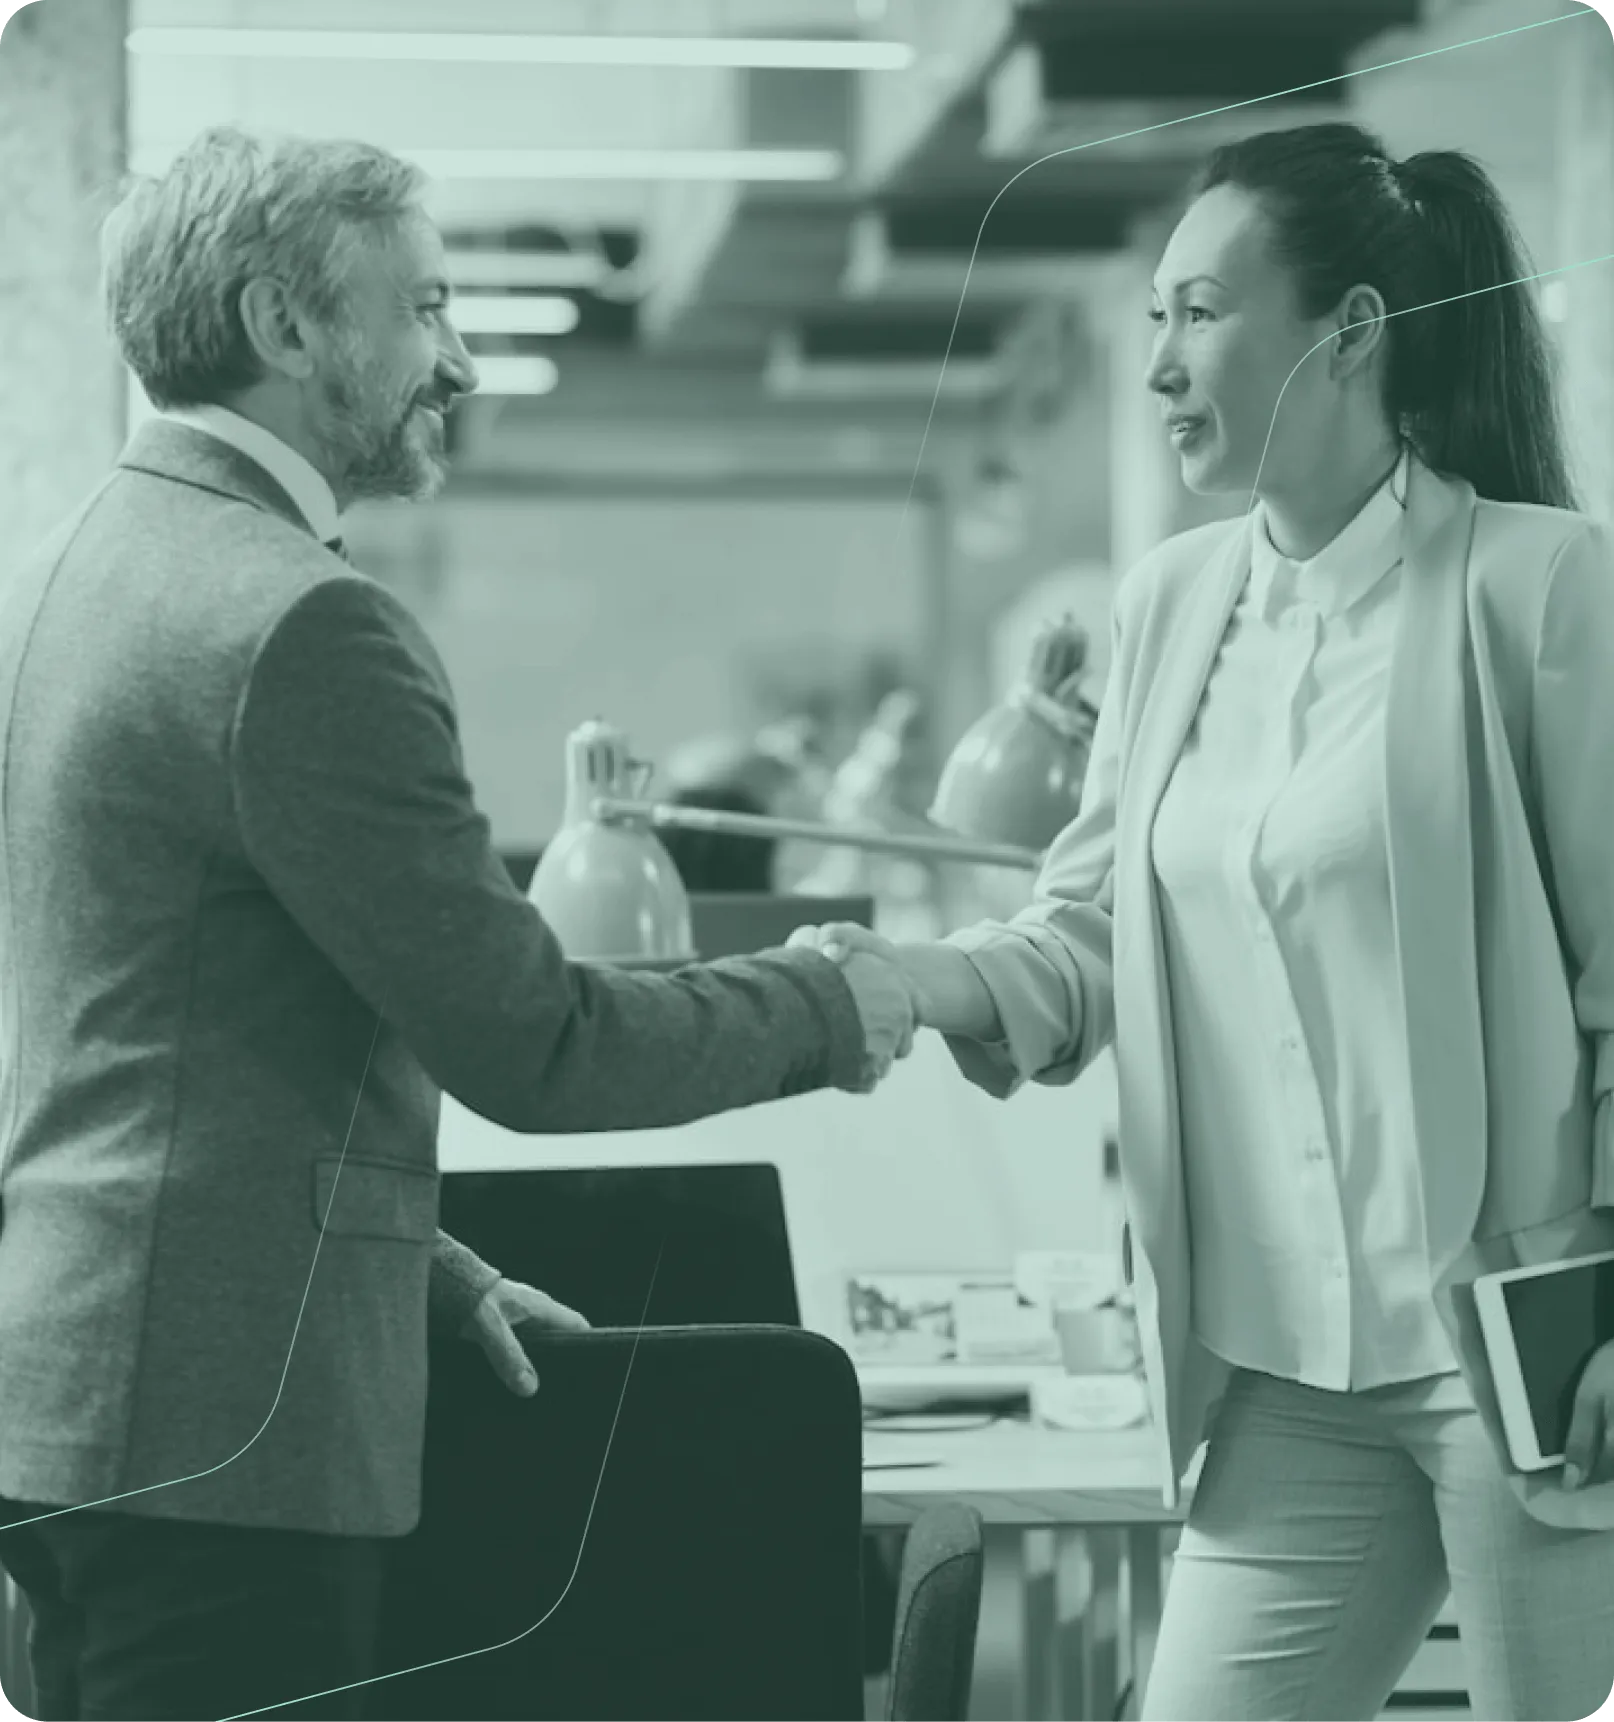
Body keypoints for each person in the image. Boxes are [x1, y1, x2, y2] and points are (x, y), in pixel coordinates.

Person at [0, 127, 913, 1722]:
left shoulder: (70, 574)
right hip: (228, 1439)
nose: (460, 356)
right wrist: (838, 1001)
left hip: (81, 1396)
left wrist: (414, 1260)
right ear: (285, 325)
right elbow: (536, 1041)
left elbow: (154, 1028)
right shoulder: (296, 621)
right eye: (423, 308)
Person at [795, 121, 1614, 1722]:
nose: (1158, 364)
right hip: (1278, 1368)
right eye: (1151, 319)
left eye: (1198, 313)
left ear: (1350, 330)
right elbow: (1087, 932)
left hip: (1517, 1356)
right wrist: (908, 981)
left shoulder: (1540, 590)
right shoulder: (1168, 602)